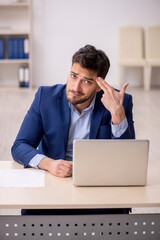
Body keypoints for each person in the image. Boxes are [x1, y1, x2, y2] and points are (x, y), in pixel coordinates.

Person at [11, 45, 135, 215]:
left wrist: (117, 115)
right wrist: (49, 164)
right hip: (54, 181)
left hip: (98, 185)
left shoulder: (120, 101)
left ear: (99, 86)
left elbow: (128, 160)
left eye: (87, 81)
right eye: (73, 76)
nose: (76, 87)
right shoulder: (45, 97)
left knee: (112, 217)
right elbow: (20, 146)